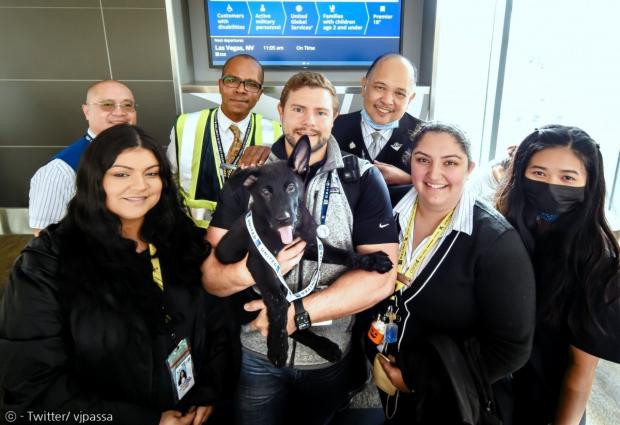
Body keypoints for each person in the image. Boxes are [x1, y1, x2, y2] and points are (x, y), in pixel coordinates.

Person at [1, 125, 239, 425]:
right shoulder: (47, 264)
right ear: (94, 179)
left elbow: (217, 324)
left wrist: (208, 391)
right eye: (122, 174)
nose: (140, 186)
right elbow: (31, 387)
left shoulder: (181, 241)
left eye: (152, 173)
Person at [201, 71, 399, 425]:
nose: (309, 122)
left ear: (335, 117)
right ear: (280, 112)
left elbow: (382, 280)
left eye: (321, 112)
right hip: (255, 353)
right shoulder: (247, 176)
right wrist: (249, 268)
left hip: (329, 358)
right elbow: (211, 278)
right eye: (298, 110)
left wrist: (296, 314)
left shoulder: (362, 179)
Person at [366, 122, 536, 424]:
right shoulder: (385, 208)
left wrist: (420, 380)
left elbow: (511, 349)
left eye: (450, 163)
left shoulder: (495, 242)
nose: (434, 174)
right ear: (411, 163)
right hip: (386, 378)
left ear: (469, 168)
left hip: (452, 401)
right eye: (423, 160)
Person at [495, 125, 620, 425]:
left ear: (588, 184)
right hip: (491, 393)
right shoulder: (503, 230)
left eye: (567, 178)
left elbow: (581, 371)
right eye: (539, 173)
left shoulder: (596, 261)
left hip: (546, 406)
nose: (551, 187)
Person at [167, 54, 282, 228]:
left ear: (260, 94)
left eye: (251, 84)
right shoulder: (186, 126)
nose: (241, 89)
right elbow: (169, 184)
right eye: (232, 80)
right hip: (194, 241)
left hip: (248, 242)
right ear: (220, 85)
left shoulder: (275, 133)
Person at [28, 80, 137, 236]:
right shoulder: (60, 171)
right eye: (107, 104)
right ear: (87, 111)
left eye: (128, 105)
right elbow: (44, 237)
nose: (120, 112)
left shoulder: (140, 154)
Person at [332, 53, 423, 188]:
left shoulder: (424, 136)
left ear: (410, 99)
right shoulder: (333, 128)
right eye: (380, 87)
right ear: (364, 86)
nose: (386, 100)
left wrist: (408, 180)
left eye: (399, 93)